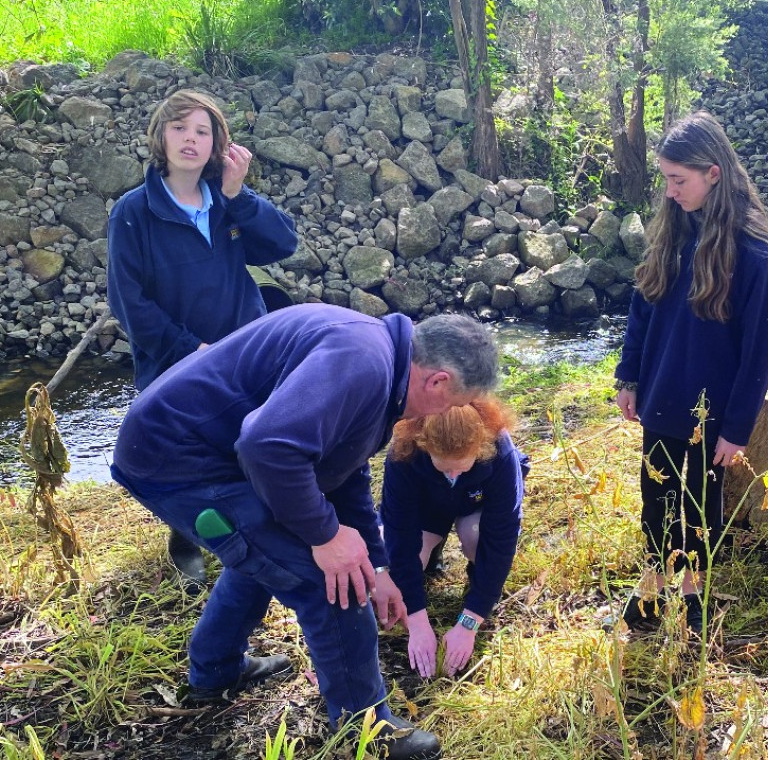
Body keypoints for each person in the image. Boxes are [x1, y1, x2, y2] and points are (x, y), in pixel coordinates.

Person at [111, 304, 499, 760]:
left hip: (217, 454)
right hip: (178, 462)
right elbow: (266, 446)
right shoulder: (362, 361)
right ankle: (366, 729)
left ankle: (215, 672)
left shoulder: (383, 364)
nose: (442, 417)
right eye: (452, 405)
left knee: (269, 556)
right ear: (438, 381)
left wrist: (378, 563)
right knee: (329, 580)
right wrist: (326, 537)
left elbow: (342, 472)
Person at [107, 89, 298, 589]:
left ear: (218, 144)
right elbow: (130, 305)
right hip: (178, 357)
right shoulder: (133, 212)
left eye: (202, 131)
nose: (189, 140)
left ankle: (254, 532)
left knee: (248, 440)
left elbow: (282, 244)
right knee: (185, 449)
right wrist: (190, 351)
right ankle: (184, 534)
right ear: (160, 136)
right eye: (179, 128)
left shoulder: (225, 199)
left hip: (245, 350)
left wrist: (239, 194)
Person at [612, 112, 768, 636]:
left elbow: (761, 352)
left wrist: (737, 428)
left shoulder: (757, 255)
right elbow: (642, 308)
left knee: (702, 503)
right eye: (665, 180)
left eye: (678, 181)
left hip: (711, 410)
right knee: (656, 495)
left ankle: (693, 591)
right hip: (662, 393)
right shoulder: (672, 234)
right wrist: (629, 376)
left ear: (714, 173)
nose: (669, 193)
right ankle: (653, 584)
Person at [381, 397, 528, 678]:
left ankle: (477, 582)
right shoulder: (403, 452)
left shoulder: (500, 452)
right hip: (428, 507)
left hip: (476, 504)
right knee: (393, 558)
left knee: (477, 537)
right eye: (444, 467)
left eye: (461, 466)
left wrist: (470, 620)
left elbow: (502, 541)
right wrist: (416, 618)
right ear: (425, 446)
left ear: (481, 448)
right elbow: (398, 533)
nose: (453, 473)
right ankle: (429, 560)